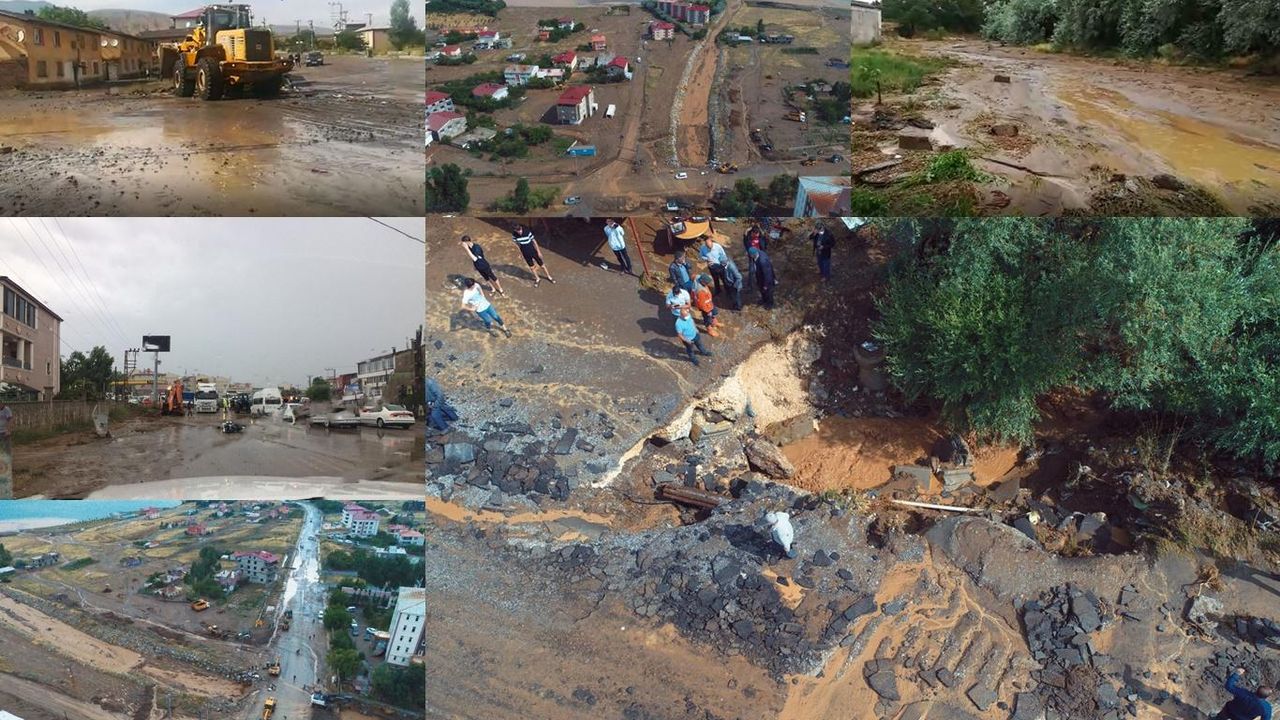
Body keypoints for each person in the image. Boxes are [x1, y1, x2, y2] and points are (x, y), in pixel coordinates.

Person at [0, 400, 12, 499]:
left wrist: (9, 430)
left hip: (5, 432)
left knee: (6, 448)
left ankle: (8, 462)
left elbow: (10, 421)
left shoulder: (6, 410)